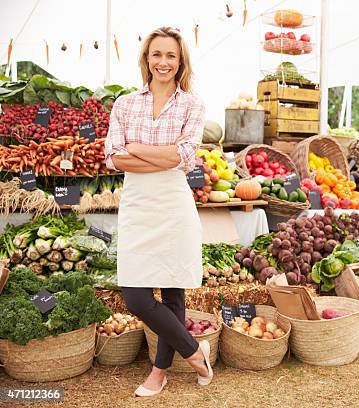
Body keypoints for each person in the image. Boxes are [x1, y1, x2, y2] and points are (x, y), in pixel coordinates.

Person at [104, 26, 211, 397]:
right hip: (137, 204)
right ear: (146, 59)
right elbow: (114, 158)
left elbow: (183, 157)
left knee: (173, 292)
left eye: (171, 56)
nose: (163, 62)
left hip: (172, 203)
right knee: (135, 295)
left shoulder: (191, 104)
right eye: (157, 55)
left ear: (180, 62)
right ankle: (195, 350)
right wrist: (158, 156)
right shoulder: (125, 103)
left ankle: (159, 372)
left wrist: (136, 148)